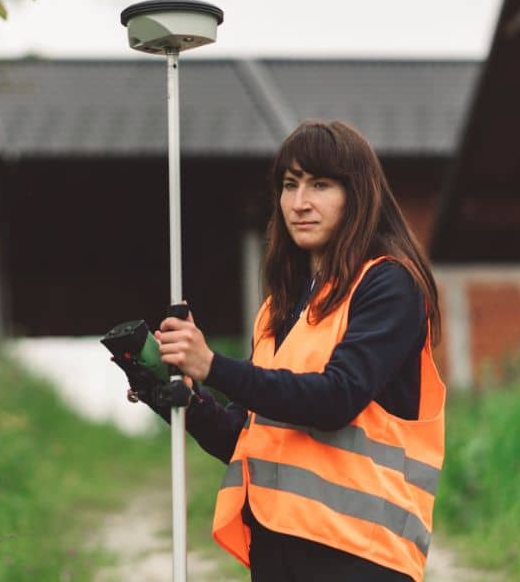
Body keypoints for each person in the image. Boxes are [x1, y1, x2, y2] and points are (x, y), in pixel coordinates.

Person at [131, 120, 446, 581]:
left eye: (320, 185)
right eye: (290, 185)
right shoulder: (278, 311)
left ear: (357, 195)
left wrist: (213, 365)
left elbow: (336, 398)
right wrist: (181, 398)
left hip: (361, 557)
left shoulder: (388, 285)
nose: (300, 203)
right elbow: (246, 438)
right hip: (278, 551)